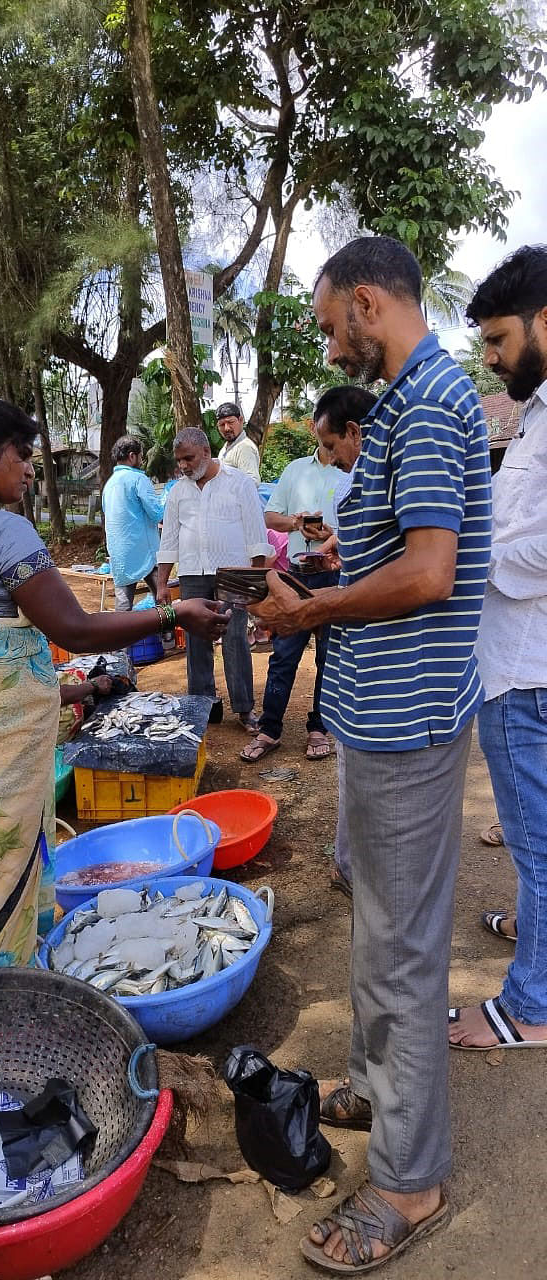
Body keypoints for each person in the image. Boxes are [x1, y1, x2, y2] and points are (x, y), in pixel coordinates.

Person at [251, 236, 491, 1273]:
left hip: (409, 721)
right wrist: (333, 560)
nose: (329, 344)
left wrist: (319, 602)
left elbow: (431, 571)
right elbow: (399, 542)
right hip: (378, 712)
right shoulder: (405, 403)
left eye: (326, 326)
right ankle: (375, 1084)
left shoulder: (433, 400)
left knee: (400, 952)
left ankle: (409, 1180)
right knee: (378, 934)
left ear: (363, 303)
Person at [0, 397, 229, 987]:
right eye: (20, 454)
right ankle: (1, 1007)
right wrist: (174, 614)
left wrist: (78, 689)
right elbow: (74, 627)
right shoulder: (2, 530)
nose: (28, 469)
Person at [448, 246, 547, 1049]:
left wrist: (462, 556)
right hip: (523, 659)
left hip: (524, 670)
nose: (490, 356)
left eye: (499, 338)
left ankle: (530, 1008)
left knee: (536, 840)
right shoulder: (538, 411)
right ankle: (536, 932)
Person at [241, 394, 374, 764]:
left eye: (331, 443)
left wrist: (337, 536)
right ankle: (270, 728)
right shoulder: (296, 470)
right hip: (300, 573)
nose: (330, 453)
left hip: (341, 574)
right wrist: (298, 523)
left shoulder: (359, 469)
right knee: (284, 654)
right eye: (324, 442)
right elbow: (270, 517)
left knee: (330, 657)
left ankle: (320, 726)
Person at [303, 385, 378, 894]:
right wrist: (341, 558)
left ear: (354, 433)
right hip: (358, 647)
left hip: (374, 649)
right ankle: (348, 864)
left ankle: (357, 868)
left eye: (331, 445)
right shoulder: (363, 481)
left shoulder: (377, 480)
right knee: (352, 765)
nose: (329, 457)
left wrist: (317, 604)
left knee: (365, 772)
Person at [156, 426, 270, 729]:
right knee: (196, 641)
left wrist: (256, 580)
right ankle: (202, 706)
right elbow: (169, 539)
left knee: (235, 639)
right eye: (180, 460)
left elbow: (256, 534)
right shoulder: (178, 491)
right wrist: (162, 582)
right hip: (193, 572)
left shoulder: (239, 483)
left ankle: (245, 709)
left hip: (232, 573)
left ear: (206, 452)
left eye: (189, 458)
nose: (184, 466)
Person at [101, 435, 163, 611]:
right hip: (145, 552)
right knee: (162, 599)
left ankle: (122, 638)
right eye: (141, 456)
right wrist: (167, 499)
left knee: (123, 607)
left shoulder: (109, 485)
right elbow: (157, 513)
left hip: (119, 555)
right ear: (132, 456)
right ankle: (167, 638)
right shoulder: (138, 480)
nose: (142, 460)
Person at [215, 401, 261, 483]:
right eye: (222, 424)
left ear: (241, 420)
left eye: (230, 422)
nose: (226, 428)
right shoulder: (226, 448)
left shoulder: (244, 447)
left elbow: (253, 482)